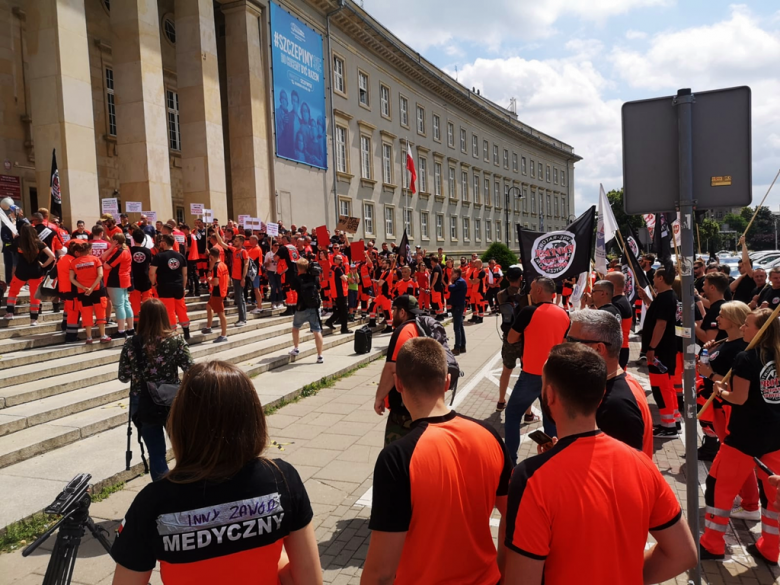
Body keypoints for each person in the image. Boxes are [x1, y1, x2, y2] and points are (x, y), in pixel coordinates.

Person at [111, 360, 321, 584]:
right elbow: (308, 579)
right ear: (252, 418)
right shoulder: (282, 478)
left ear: (181, 423)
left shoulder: (153, 502)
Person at [503, 343, 697, 584]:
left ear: (550, 396)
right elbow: (684, 554)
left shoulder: (530, 478)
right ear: (600, 395)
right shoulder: (642, 464)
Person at [363, 338, 511, 585]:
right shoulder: (489, 435)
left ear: (398, 384)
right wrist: (502, 569)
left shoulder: (397, 458)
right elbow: (514, 516)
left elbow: (380, 573)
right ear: (447, 381)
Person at [701, 308, 780, 563]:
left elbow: (739, 398)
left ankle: (712, 544)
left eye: (748, 325)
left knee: (718, 488)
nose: (744, 328)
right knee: (773, 495)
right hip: (775, 434)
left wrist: (719, 390)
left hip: (745, 436)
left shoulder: (746, 358)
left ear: (761, 330)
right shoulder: (777, 355)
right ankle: (771, 548)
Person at [117, 298, 192, 481]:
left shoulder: (131, 343)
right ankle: (188, 484)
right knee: (184, 447)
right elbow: (191, 368)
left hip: (142, 401)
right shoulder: (176, 340)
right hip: (171, 399)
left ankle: (163, 494)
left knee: (156, 453)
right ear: (164, 316)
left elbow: (123, 376)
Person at [568, 310, 653, 457]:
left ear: (598, 348)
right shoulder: (621, 384)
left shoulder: (616, 405)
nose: (565, 347)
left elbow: (619, 472)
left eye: (571, 341)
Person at [505, 277, 570, 464]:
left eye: (532, 289)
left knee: (512, 415)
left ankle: (510, 460)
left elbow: (511, 338)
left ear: (540, 291)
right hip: (553, 374)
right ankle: (551, 459)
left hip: (532, 373)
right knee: (550, 419)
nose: (530, 292)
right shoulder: (564, 314)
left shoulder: (528, 312)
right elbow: (564, 344)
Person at [374, 295, 427, 444]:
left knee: (395, 455)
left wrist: (379, 397)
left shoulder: (403, 331)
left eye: (394, 309)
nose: (392, 313)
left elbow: (392, 369)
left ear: (402, 312)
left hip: (405, 408)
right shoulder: (421, 327)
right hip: (424, 399)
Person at [643, 267, 680, 437]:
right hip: (664, 350)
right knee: (667, 387)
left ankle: (668, 426)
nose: (653, 279)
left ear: (661, 278)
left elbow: (661, 324)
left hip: (661, 351)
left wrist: (651, 348)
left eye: (656, 276)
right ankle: (673, 420)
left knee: (661, 387)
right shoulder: (666, 297)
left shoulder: (666, 298)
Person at [4, 224, 55, 325]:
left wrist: (14, 236)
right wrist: (43, 265)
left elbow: (8, 246)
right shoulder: (39, 243)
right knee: (35, 295)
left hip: (21, 271)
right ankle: (33, 319)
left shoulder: (18, 242)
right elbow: (52, 256)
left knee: (13, 291)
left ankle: (10, 312)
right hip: (36, 271)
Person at [150, 234, 190, 341]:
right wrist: (183, 287)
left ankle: (173, 333)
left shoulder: (159, 256)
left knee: (169, 311)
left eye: (161, 241)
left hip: (165, 287)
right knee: (181, 309)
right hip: (178, 287)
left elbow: (152, 272)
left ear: (164, 243)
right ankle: (186, 331)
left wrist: (153, 284)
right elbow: (185, 274)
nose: (160, 243)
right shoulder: (181, 256)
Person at [69, 241, 110, 344]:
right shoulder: (96, 259)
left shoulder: (74, 262)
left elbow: (71, 279)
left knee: (86, 313)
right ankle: (103, 336)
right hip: (97, 290)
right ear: (88, 250)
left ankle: (89, 338)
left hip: (82, 292)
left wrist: (83, 287)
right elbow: (100, 275)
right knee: (100, 313)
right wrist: (91, 288)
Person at [289, 258, 324, 363]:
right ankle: (320, 356)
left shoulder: (298, 279)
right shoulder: (314, 278)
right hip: (314, 307)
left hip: (302, 307)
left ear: (299, 268)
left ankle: (296, 348)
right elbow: (318, 289)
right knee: (317, 331)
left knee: (296, 328)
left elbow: (293, 287)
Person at [213, 231, 248, 327]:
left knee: (240, 298)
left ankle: (242, 319)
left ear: (241, 242)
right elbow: (221, 243)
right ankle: (242, 318)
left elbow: (246, 265)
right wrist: (217, 232)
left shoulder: (243, 252)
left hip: (240, 278)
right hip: (235, 278)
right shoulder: (234, 250)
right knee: (239, 298)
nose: (234, 242)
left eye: (236, 241)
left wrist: (243, 278)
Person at [103, 233, 134, 338]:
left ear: (116, 241)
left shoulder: (120, 251)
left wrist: (111, 248)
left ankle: (121, 330)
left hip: (116, 280)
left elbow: (106, 265)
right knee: (125, 304)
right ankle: (130, 328)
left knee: (119, 305)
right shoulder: (126, 250)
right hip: (123, 279)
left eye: (112, 240)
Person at [606, 271, 633, 369]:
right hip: (621, 347)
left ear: (612, 284)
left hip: (617, 349)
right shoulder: (621, 301)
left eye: (605, 282)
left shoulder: (617, 304)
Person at [202, 247, 229, 343]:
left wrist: (209, 280)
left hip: (218, 292)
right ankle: (208, 327)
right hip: (221, 290)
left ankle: (223, 335)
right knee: (209, 306)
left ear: (212, 257)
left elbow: (216, 282)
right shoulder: (223, 265)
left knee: (221, 314)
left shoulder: (216, 267)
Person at [128, 230, 153, 331]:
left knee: (134, 303)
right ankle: (148, 322)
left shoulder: (129, 250)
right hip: (146, 279)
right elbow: (150, 265)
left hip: (134, 280)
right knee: (147, 303)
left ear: (133, 239)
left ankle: (136, 325)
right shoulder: (148, 251)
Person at [696, 272, 729, 344]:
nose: (702, 287)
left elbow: (708, 339)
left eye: (704, 284)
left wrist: (693, 325)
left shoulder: (716, 311)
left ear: (712, 287)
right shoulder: (720, 306)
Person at [324, 254, 349, 334]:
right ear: (335, 260)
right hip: (340, 293)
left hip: (336, 293)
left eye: (341, 259)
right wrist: (346, 277)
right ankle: (344, 329)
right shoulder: (337, 269)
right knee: (344, 311)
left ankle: (329, 321)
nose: (341, 261)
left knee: (340, 310)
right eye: (339, 259)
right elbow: (344, 279)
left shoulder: (332, 269)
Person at [448, 267, 468, 355]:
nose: (451, 275)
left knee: (457, 327)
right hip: (457, 305)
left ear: (457, 274)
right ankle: (462, 346)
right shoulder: (459, 281)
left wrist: (449, 281)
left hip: (458, 306)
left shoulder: (460, 282)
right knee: (460, 326)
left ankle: (457, 348)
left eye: (453, 273)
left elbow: (450, 288)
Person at [731, 236, 756, 304]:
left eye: (741, 267)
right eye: (738, 267)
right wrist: (741, 277)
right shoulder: (741, 278)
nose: (739, 269)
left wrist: (743, 244)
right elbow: (730, 288)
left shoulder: (752, 275)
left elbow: (746, 262)